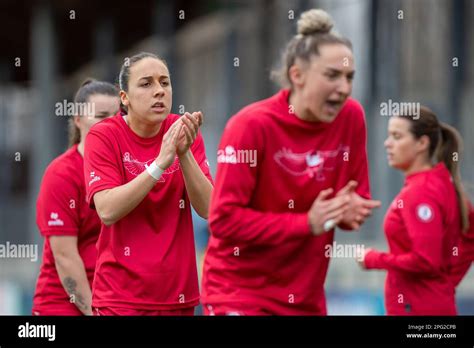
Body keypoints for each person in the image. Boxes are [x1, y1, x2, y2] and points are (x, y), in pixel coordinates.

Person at [201, 9, 381, 315]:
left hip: (305, 298)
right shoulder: (250, 126)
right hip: (238, 295)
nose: (344, 88)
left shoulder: (351, 117)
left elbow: (356, 195)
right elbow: (224, 220)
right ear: (297, 75)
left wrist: (350, 209)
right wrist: (305, 223)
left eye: (350, 77)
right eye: (332, 75)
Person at [83, 52, 213, 316]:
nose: (159, 91)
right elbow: (107, 210)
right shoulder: (104, 135)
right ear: (124, 98)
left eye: (164, 83)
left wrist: (184, 153)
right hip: (120, 299)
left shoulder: (183, 131)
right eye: (146, 84)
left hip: (178, 297)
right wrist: (159, 165)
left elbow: (210, 208)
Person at [358, 106, 471, 315]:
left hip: (417, 308)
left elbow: (425, 260)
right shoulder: (442, 182)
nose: (387, 143)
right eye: (389, 136)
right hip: (431, 303)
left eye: (397, 136)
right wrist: (445, 283)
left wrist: (373, 258)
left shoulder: (421, 192)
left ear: (422, 143)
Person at [33, 79, 120, 315]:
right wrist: (95, 312)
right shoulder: (61, 174)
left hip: (114, 302)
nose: (112, 124)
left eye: (118, 115)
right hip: (63, 305)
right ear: (78, 120)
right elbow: (64, 257)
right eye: (102, 116)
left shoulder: (126, 170)